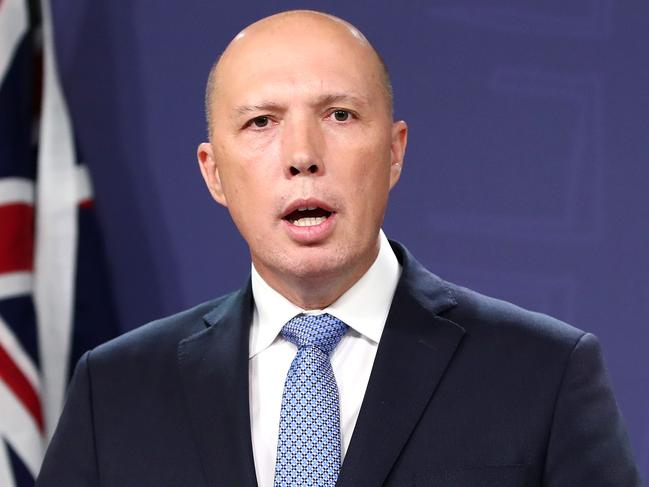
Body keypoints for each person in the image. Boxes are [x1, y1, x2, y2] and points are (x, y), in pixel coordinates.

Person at [36, 10, 640, 487]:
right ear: (213, 172)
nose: (303, 155)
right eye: (261, 122)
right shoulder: (113, 392)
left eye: (341, 114)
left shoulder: (544, 373)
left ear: (396, 151)